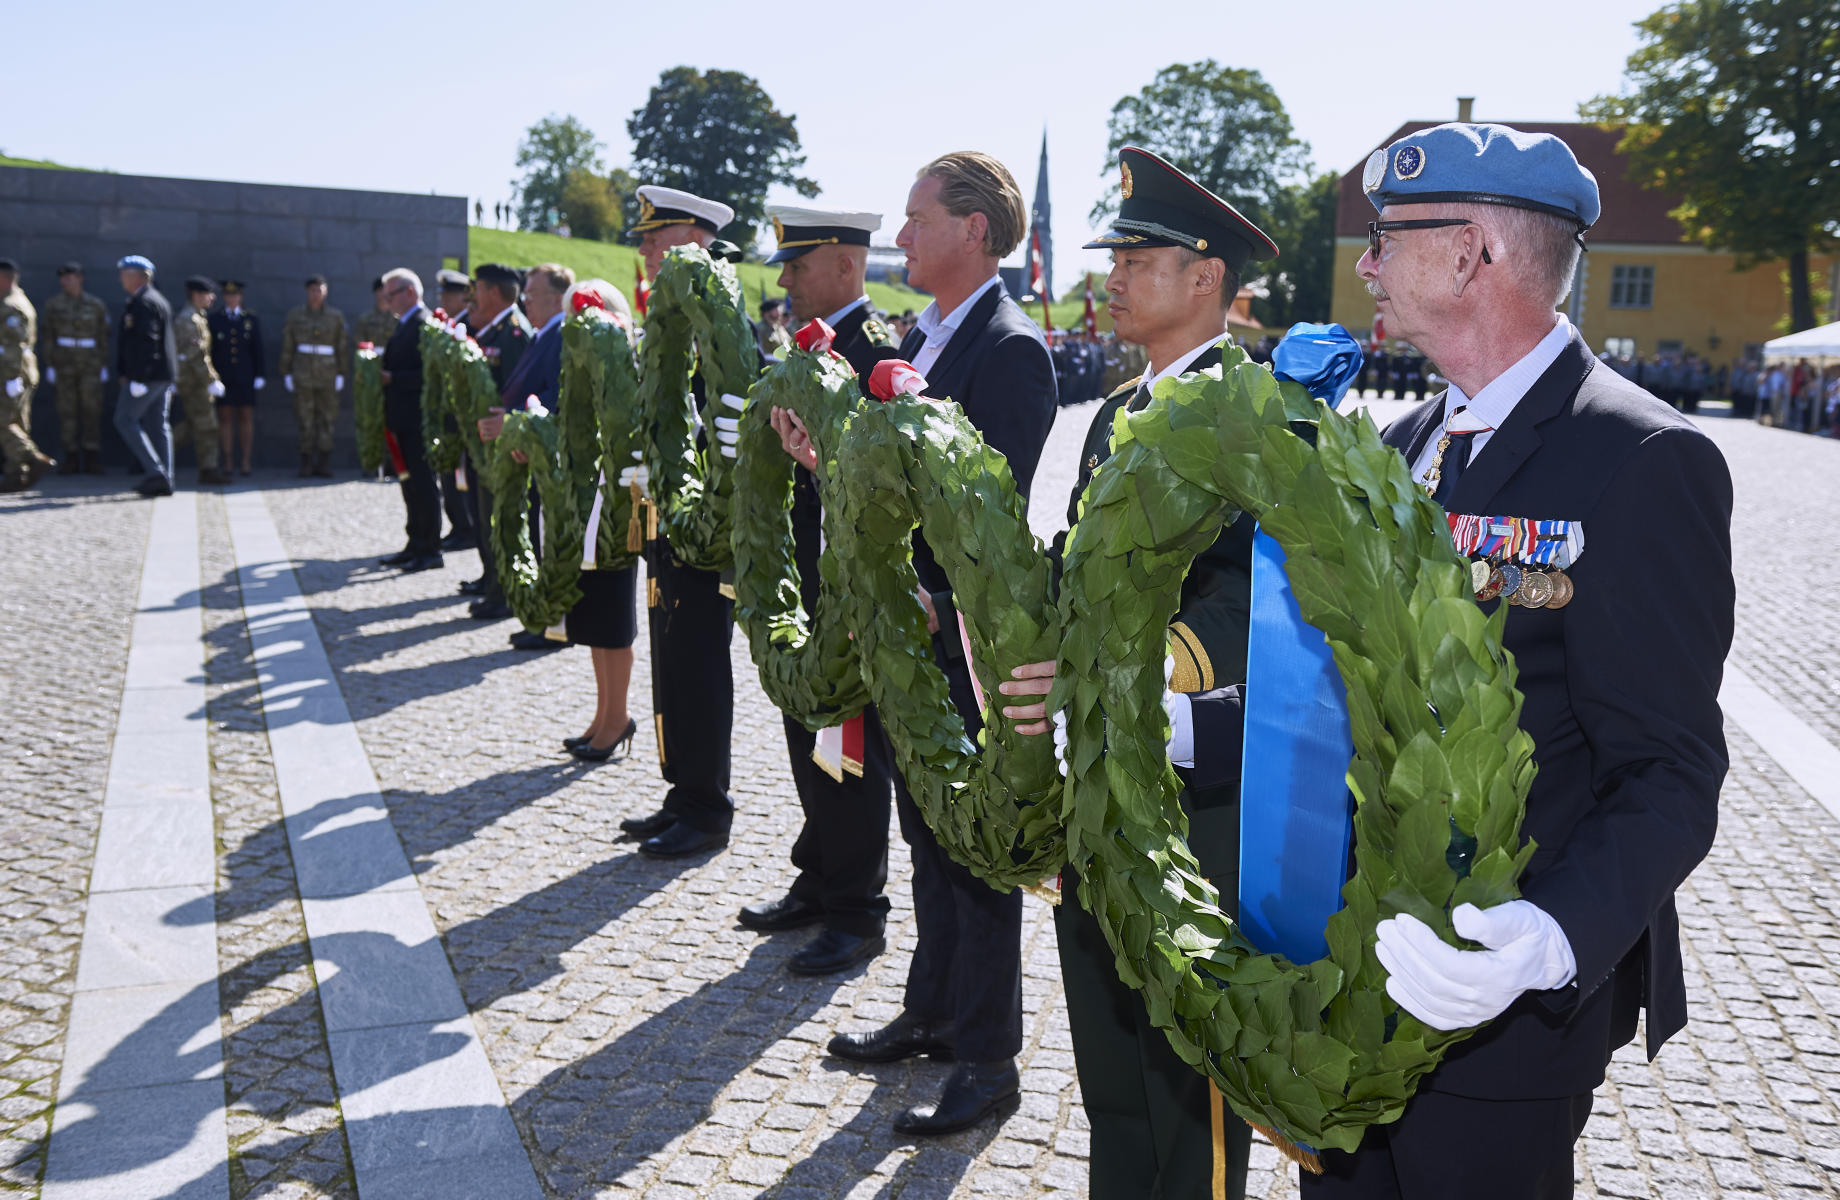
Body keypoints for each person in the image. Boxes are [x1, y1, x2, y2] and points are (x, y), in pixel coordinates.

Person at [1285, 121, 1733, 1199]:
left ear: (1471, 252)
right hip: (1358, 972)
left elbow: (1669, 769)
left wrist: (1549, 936)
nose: (1367, 265)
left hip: (1499, 1013)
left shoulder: (1639, 459)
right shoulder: (1405, 446)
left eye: (1388, 238)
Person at [996, 145, 1275, 1198]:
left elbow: (1250, 605)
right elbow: (1082, 569)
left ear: (1205, 275)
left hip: (1192, 783)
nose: (1108, 274)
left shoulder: (1255, 412)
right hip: (1097, 776)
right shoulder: (1119, 413)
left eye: (1135, 255)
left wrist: (1121, 687)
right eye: (1113, 253)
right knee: (1109, 1053)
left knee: (1183, 1073)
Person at [817, 151, 1057, 1136]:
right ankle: (934, 1008)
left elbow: (988, 512)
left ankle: (988, 1058)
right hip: (909, 636)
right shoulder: (920, 335)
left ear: (973, 230)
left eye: (916, 219)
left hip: (961, 639)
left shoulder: (1008, 348)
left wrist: (922, 585)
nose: (899, 238)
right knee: (925, 835)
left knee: (978, 848)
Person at [748, 204, 901, 976]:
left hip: (849, 584)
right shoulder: (804, 350)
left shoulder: (874, 351)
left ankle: (856, 908)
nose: (785, 280)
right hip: (806, 577)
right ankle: (818, 875)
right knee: (808, 736)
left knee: (848, 750)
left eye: (798, 264)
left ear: (844, 263)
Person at [617, 185, 757, 860]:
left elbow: (726, 415)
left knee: (699, 662)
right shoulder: (671, 308)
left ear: (692, 239)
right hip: (669, 511)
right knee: (671, 659)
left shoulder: (720, 306)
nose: (645, 252)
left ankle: (708, 806)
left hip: (709, 522)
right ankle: (682, 793)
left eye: (654, 239)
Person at [477, 262, 572, 652]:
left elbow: (560, 396)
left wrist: (514, 421)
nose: (525, 300)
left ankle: (551, 624)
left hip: (546, 457)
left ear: (557, 297)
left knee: (546, 541)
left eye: (532, 294)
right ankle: (542, 618)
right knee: (533, 536)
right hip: (526, 452)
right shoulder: (543, 334)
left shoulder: (564, 334)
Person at [459, 263, 532, 622]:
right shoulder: (492, 331)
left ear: (491, 292)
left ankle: (502, 590)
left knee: (497, 518)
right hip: (483, 441)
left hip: (500, 443)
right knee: (483, 515)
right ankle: (493, 580)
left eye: (478, 288)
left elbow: (517, 393)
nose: (473, 296)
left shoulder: (513, 333)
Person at [377, 268, 441, 571]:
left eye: (391, 295)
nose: (386, 301)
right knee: (408, 484)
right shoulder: (405, 324)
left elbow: (429, 375)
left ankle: (430, 548)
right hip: (401, 418)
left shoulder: (423, 324)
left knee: (423, 483)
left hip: (417, 419)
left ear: (410, 293)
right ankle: (415, 542)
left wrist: (394, 378)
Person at [113, 254, 179, 497]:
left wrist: (138, 377)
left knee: (124, 419)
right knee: (157, 425)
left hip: (148, 376)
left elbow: (146, 342)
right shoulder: (153, 299)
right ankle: (165, 478)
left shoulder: (144, 302)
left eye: (124, 273)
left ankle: (156, 473)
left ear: (137, 276)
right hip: (161, 375)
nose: (121, 278)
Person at [40, 262, 110, 474]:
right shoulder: (53, 305)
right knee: (66, 410)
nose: (65, 281)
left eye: (70, 277)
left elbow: (102, 337)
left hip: (90, 363)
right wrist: (50, 363)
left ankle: (91, 456)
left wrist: (103, 364)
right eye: (63, 278)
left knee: (92, 409)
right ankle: (70, 456)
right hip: (64, 363)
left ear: (80, 278)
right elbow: (48, 336)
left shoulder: (96, 304)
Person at [278, 275, 349, 477]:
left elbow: (341, 346)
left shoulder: (335, 316)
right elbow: (288, 345)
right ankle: (306, 462)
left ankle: (324, 462)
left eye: (319, 290)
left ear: (325, 291)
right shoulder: (296, 315)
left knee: (327, 418)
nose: (316, 294)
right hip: (303, 373)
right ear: (307, 292)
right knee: (305, 418)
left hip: (328, 374)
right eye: (312, 290)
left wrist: (342, 373)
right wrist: (286, 372)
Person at [0, 259, 54, 492]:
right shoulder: (11, 300)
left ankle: (33, 459)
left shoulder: (11, 305)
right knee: (18, 422)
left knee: (4, 422)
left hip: (14, 372)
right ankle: (15, 474)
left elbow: (13, 346)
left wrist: (11, 377)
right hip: (17, 371)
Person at [435, 268, 478, 550]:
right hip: (448, 412)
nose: (443, 299)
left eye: (449, 294)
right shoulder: (451, 325)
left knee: (461, 477)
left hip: (463, 415)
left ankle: (465, 527)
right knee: (449, 475)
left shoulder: (469, 326)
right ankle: (458, 525)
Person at [174, 277, 230, 485]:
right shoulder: (189, 319)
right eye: (209, 293)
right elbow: (196, 355)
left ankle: (156, 456)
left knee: (193, 425)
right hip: (195, 382)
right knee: (207, 426)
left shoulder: (198, 317)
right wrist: (211, 380)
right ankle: (208, 469)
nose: (213, 297)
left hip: (195, 381)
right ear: (196, 295)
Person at [209, 281, 265, 475]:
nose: (232, 298)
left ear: (240, 296)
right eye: (228, 295)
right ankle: (228, 460)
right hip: (224, 376)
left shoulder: (250, 319)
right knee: (225, 418)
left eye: (235, 295)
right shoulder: (215, 319)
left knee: (245, 417)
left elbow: (257, 349)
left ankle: (246, 460)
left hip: (245, 377)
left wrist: (260, 374)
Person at [354, 276, 397, 352]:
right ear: (376, 292)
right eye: (381, 290)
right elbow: (359, 342)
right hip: (372, 360)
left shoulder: (398, 319)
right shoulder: (366, 319)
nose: (385, 293)